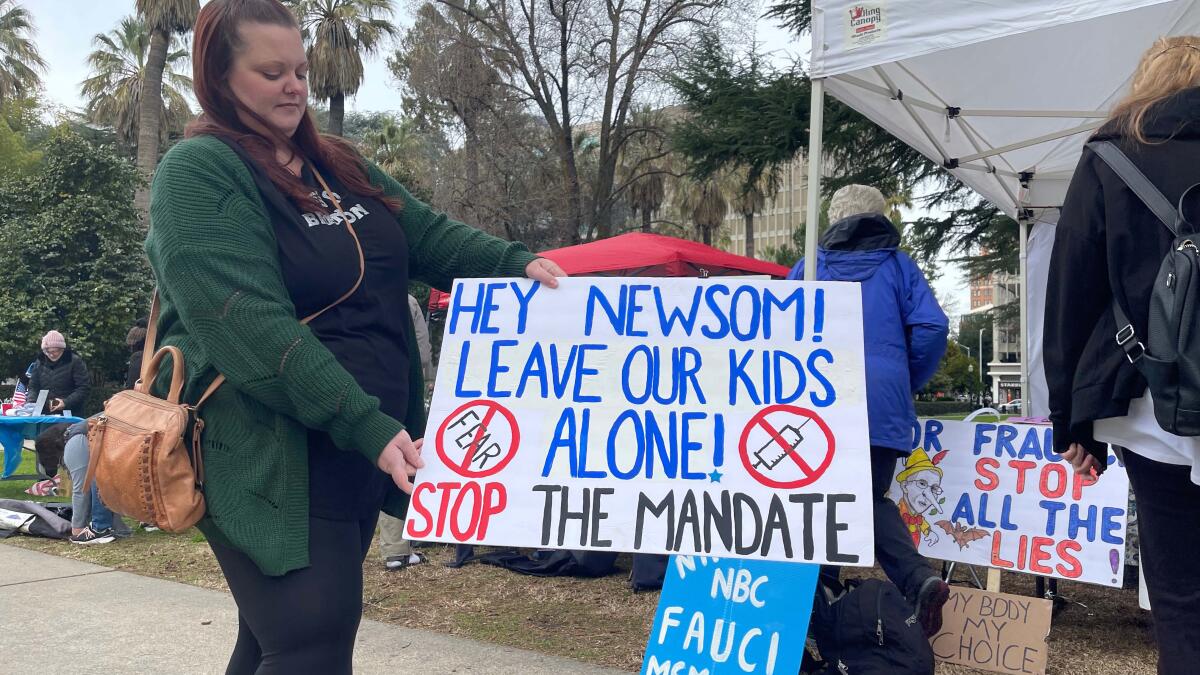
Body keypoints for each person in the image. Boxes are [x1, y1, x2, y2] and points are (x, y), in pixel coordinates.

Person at [143, 1, 564, 672]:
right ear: (219, 79)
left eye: (300, 70)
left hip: (361, 448)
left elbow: (423, 233)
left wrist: (516, 263)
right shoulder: (198, 172)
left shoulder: (333, 163)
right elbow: (249, 326)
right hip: (269, 450)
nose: (294, 86)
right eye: (271, 71)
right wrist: (366, 423)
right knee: (311, 635)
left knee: (277, 641)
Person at [1045, 36, 1200, 675]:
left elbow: (1072, 293)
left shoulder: (1113, 155)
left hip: (1152, 404)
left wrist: (1073, 422)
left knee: (1181, 599)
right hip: (1153, 409)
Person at [787, 184, 950, 636]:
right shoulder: (900, 267)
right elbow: (933, 326)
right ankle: (906, 581)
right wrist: (903, 378)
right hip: (882, 404)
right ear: (881, 217)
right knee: (864, 498)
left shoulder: (810, 267)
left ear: (833, 218)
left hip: (817, 401)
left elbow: (782, 331)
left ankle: (827, 592)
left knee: (820, 497)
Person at [377, 295, 435, 571]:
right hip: (403, 389)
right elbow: (422, 353)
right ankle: (399, 548)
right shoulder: (407, 301)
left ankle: (394, 547)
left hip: (365, 391)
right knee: (407, 461)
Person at [61, 420, 133, 544]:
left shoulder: (74, 444)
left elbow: (83, 489)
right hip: (86, 438)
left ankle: (100, 528)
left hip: (85, 437)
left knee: (97, 481)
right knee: (93, 482)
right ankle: (87, 530)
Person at [28, 331, 89, 416]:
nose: (51, 355)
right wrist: (31, 402)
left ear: (62, 349)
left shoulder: (75, 361)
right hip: (44, 414)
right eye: (47, 351)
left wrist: (66, 402)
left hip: (71, 414)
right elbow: (33, 387)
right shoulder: (39, 362)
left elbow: (83, 388)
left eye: (54, 351)